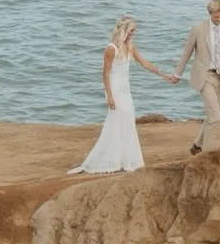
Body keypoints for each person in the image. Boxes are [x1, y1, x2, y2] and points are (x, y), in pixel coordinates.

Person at [69, 16, 170, 174]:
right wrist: (109, 95)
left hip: (126, 89)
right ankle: (109, 160)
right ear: (123, 30)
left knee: (128, 121)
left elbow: (144, 62)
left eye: (134, 31)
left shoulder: (130, 47)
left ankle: (126, 159)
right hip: (115, 89)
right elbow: (105, 73)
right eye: (131, 30)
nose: (133, 33)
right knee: (115, 122)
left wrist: (162, 74)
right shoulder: (111, 48)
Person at [170, 0, 220, 155]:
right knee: (215, 117)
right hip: (204, 77)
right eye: (216, 17)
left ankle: (196, 146)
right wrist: (177, 74)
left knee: (211, 115)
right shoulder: (198, 29)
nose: (219, 19)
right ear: (210, 14)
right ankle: (207, 155)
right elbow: (186, 52)